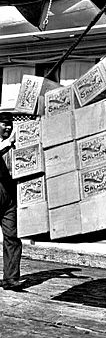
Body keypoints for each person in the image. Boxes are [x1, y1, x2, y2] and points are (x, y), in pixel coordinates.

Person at [0, 111, 23, 290]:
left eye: (10, 124)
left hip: (10, 193)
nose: (8, 127)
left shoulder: (15, 144)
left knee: (12, 237)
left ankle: (11, 278)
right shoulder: (6, 143)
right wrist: (8, 143)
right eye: (4, 124)